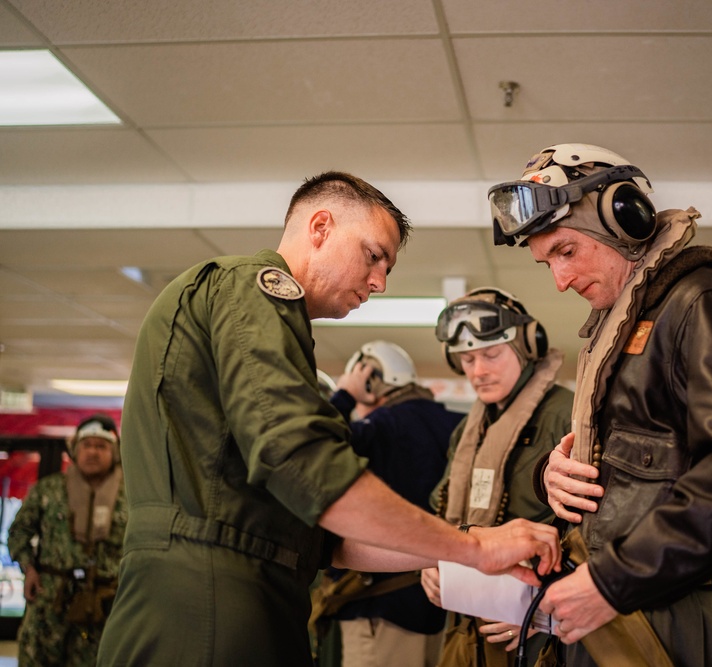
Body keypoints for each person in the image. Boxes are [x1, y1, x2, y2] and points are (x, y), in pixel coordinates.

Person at [96, 172, 560, 667]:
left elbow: (327, 540)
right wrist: (472, 547)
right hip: (209, 608)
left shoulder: (277, 327)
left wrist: (462, 548)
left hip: (242, 597)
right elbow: (303, 462)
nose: (380, 281)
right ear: (320, 227)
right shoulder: (247, 290)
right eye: (374, 255)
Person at [490, 144, 712, 666]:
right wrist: (550, 477)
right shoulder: (619, 329)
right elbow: (636, 472)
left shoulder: (708, 303)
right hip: (604, 596)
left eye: (566, 251)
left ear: (624, 219)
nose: (560, 280)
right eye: (546, 261)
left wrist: (612, 582)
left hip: (654, 606)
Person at [421, 287, 574, 667]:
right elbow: (443, 516)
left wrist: (546, 609)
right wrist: (430, 562)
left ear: (526, 348)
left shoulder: (566, 417)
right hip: (466, 625)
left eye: (491, 354)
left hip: (538, 632)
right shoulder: (468, 432)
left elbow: (595, 531)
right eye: (467, 359)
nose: (478, 371)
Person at [314, 341, 464, 667]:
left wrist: (345, 396)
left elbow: (314, 445)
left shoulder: (377, 429)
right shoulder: (457, 425)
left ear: (370, 381)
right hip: (438, 604)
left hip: (378, 609)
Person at [8, 413, 128, 667]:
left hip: (107, 607)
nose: (93, 452)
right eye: (87, 445)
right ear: (74, 450)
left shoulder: (130, 496)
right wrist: (29, 569)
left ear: (114, 452)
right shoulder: (48, 490)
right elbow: (19, 532)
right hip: (51, 603)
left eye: (101, 446)